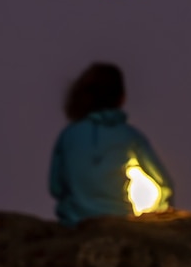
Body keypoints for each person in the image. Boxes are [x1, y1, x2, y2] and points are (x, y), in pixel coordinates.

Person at [48, 62, 174, 226]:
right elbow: (165, 185)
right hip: (118, 221)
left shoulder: (68, 135)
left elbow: (55, 187)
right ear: (121, 97)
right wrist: (156, 215)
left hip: (74, 223)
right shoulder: (130, 136)